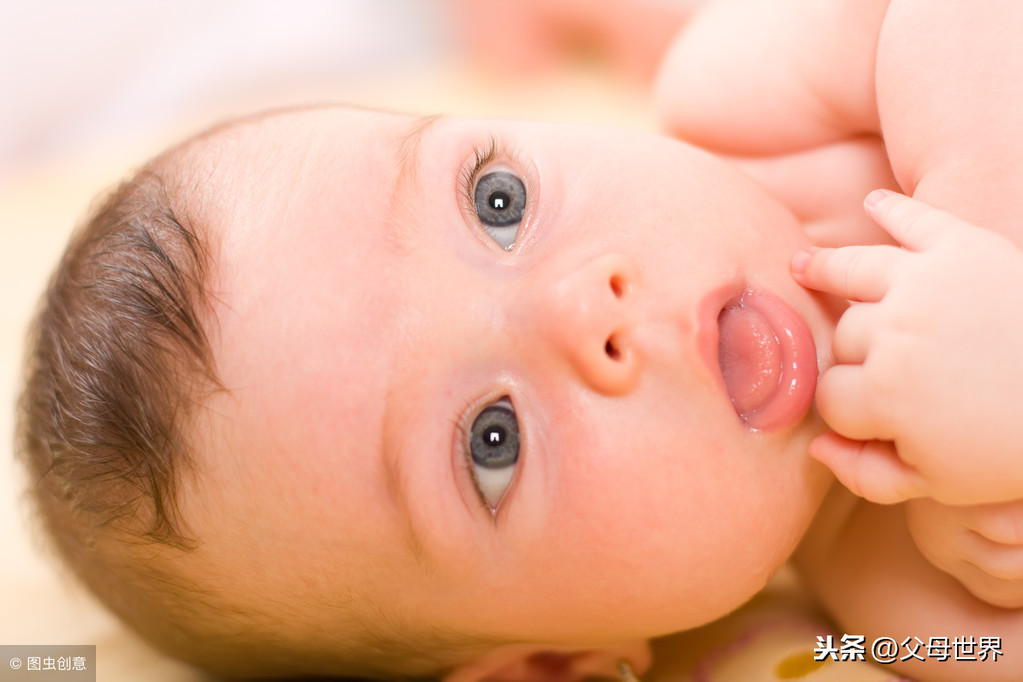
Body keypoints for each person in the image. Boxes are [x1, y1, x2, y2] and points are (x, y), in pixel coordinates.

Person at [15, 3, 1023, 682]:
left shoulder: (753, 100)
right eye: (491, 439)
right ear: (554, 662)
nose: (588, 312)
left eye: (499, 202)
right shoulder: (911, 608)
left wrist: (979, 229)